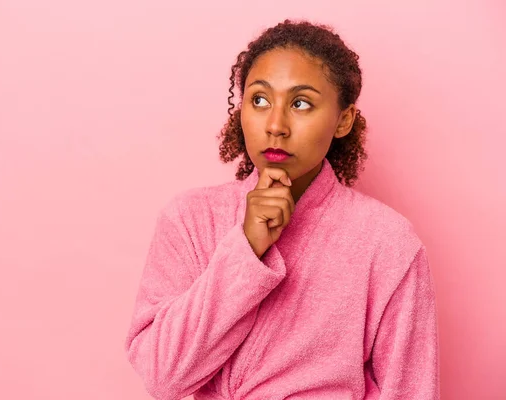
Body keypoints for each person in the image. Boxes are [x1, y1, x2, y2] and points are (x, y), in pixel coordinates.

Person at [124, 19, 440, 400]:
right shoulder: (189, 218)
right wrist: (245, 248)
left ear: (343, 120)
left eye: (301, 103)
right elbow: (162, 377)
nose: (275, 125)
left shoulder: (388, 242)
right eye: (259, 100)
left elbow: (411, 390)